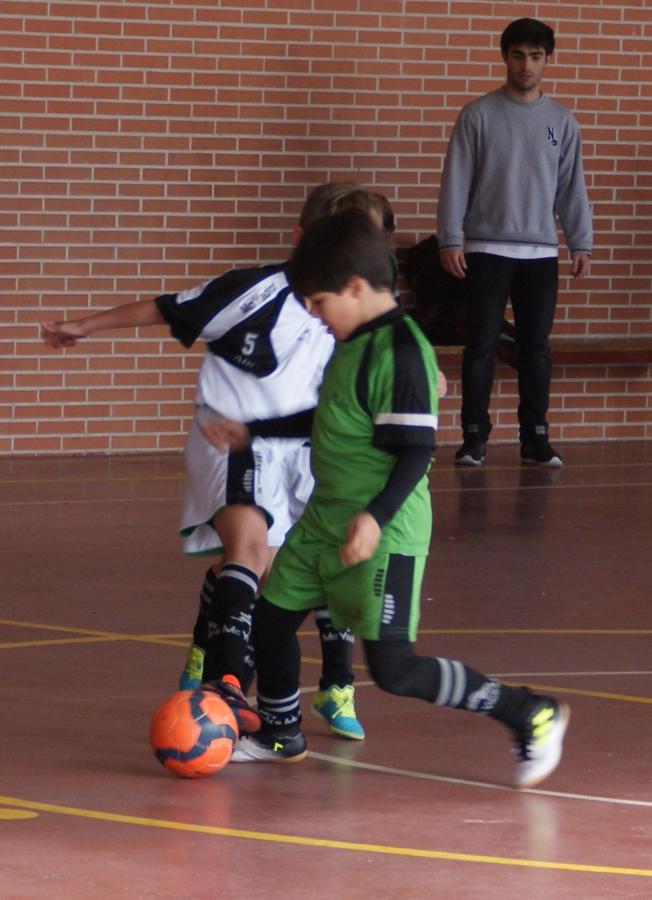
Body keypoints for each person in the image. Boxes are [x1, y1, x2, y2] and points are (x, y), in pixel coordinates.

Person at [204, 209, 570, 790]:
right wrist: (256, 429)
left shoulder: (400, 352)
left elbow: (415, 452)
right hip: (327, 519)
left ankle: (529, 712)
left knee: (395, 669)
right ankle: (280, 732)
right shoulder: (351, 342)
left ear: (355, 288)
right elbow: (328, 415)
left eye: (320, 303)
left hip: (387, 528)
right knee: (270, 621)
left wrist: (374, 519)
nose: (315, 317)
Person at [41, 182, 391, 741]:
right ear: (306, 242)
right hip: (232, 435)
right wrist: (85, 326)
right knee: (251, 555)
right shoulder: (255, 291)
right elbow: (167, 307)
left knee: (297, 570)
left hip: (306, 447)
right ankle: (227, 689)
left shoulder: (360, 313)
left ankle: (290, 673)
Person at [437, 17, 592, 467]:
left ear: (548, 61)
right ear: (506, 57)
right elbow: (456, 181)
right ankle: (474, 437)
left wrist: (580, 242)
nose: (527, 65)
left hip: (540, 254)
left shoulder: (562, 122)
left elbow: (571, 187)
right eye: (519, 55)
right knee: (480, 345)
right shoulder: (478, 115)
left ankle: (535, 436)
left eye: (537, 56)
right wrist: (450, 239)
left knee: (535, 348)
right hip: (485, 249)